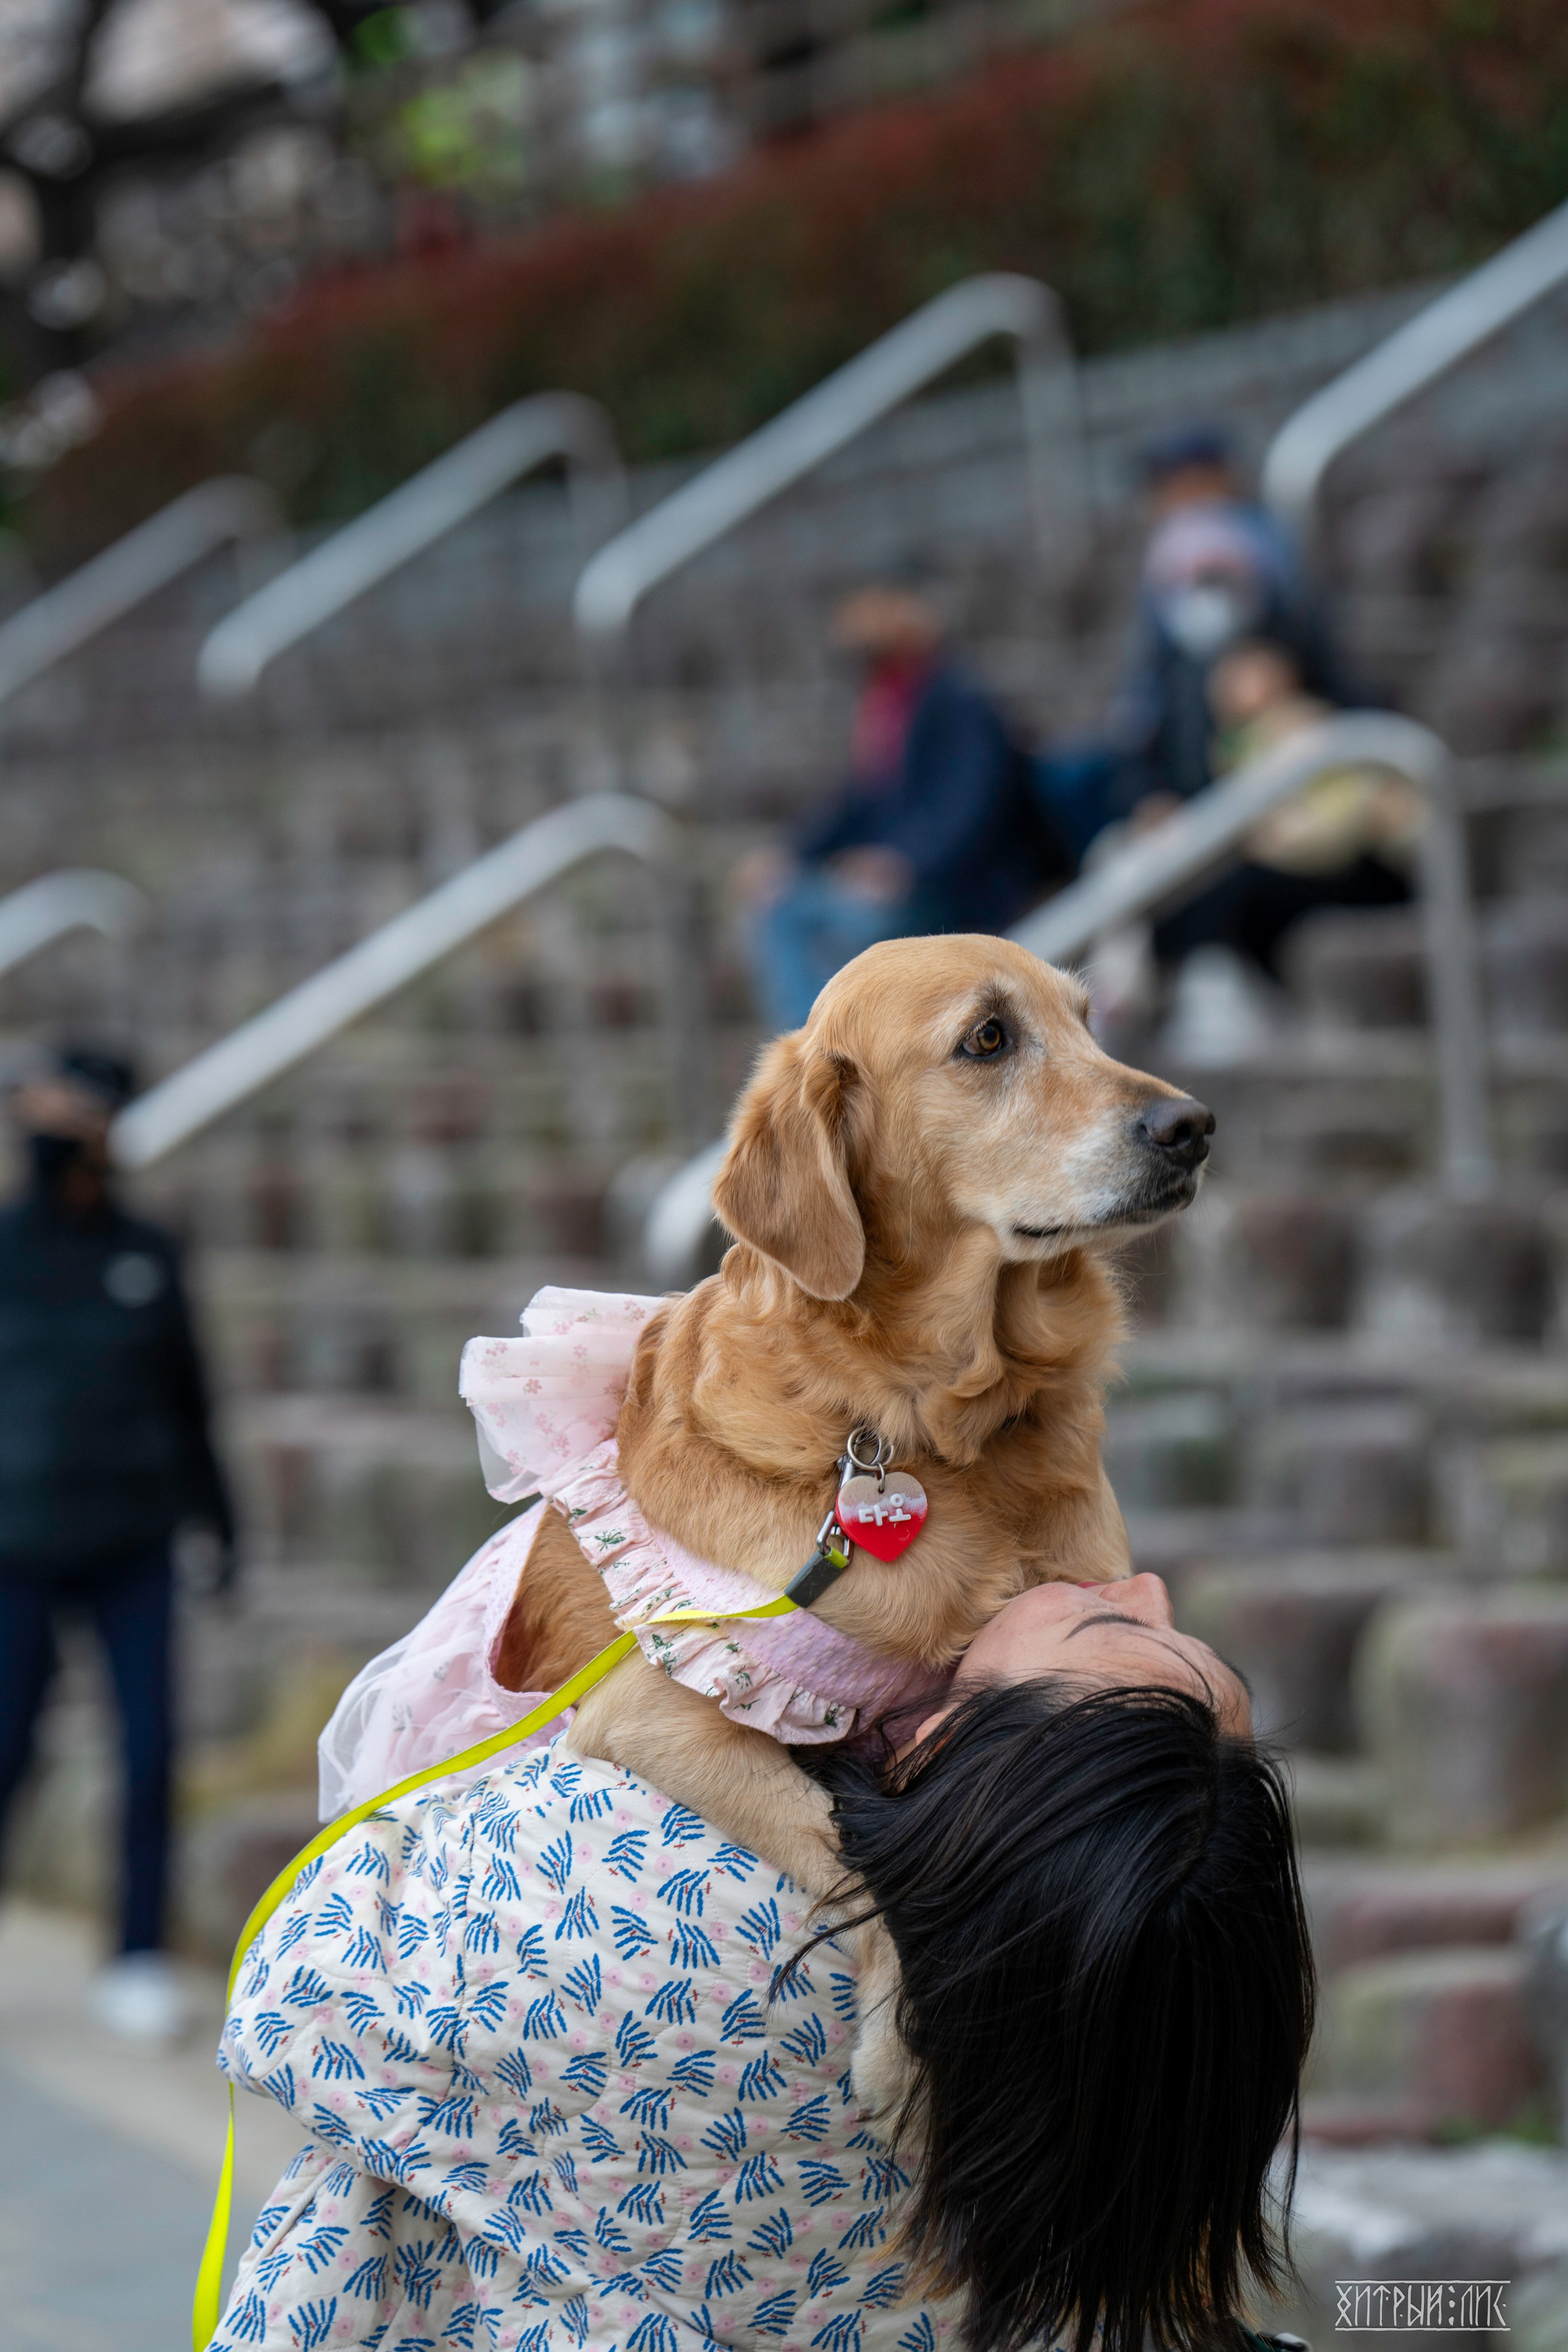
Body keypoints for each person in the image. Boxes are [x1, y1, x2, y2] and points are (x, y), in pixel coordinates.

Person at [206, 1571, 1314, 2352]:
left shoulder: (672, 1911)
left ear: (939, 1742)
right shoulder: (1161, 1991)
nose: (1147, 1582)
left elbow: (297, 1994)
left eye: (1109, 1623)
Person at [0, 1046, 236, 2041]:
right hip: (14, 1543)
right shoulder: (6, 1246)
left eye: (71, 1107)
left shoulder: (148, 1253)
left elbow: (191, 1400)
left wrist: (222, 1525)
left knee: (150, 1749)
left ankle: (137, 1953)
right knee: (6, 1747)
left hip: (135, 1538)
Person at [735, 581, 1070, 1031]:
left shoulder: (960, 702)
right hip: (907, 881)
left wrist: (902, 863)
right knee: (779, 906)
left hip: (959, 890)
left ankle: (828, 1040)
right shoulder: (889, 703)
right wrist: (790, 855)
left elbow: (968, 809)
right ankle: (813, 1039)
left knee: (842, 921)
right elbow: (858, 802)